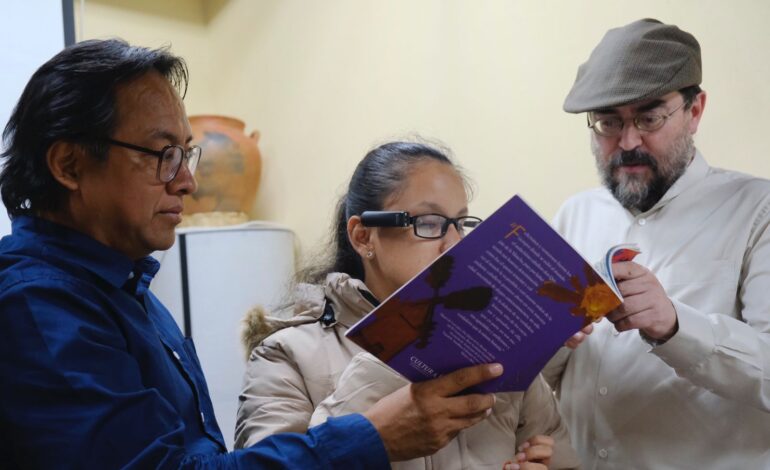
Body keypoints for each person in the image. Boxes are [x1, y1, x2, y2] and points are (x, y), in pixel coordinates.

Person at [0, 39, 504, 469]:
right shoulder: (37, 310)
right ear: (69, 164)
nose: (188, 181)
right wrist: (371, 437)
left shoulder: (125, 288)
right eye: (161, 155)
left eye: (186, 153)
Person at [236, 141, 581, 469]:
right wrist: (393, 348)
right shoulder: (285, 356)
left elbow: (564, 459)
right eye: (428, 223)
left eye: (461, 224)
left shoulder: (498, 344)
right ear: (363, 236)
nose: (454, 244)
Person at [541, 18, 770, 469]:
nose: (628, 142)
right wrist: (542, 341)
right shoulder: (573, 215)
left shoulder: (758, 211)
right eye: (608, 122)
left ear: (695, 110)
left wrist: (676, 327)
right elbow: (552, 380)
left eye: (649, 117)